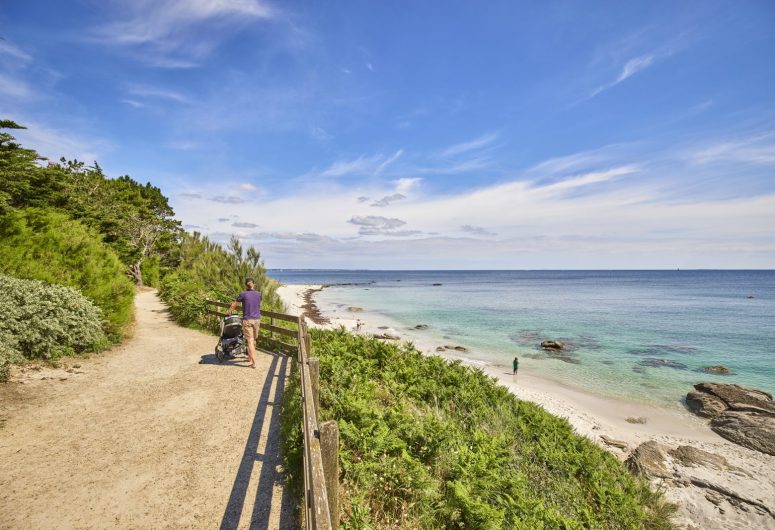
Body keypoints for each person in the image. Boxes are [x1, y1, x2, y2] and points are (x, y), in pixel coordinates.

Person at [227, 278, 262, 369]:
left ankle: (254, 363)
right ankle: (250, 358)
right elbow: (258, 304)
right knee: (254, 339)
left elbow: (235, 304)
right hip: (257, 320)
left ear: (246, 285)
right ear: (253, 284)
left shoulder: (243, 294)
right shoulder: (259, 294)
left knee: (250, 341)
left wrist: (229, 311)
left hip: (248, 320)